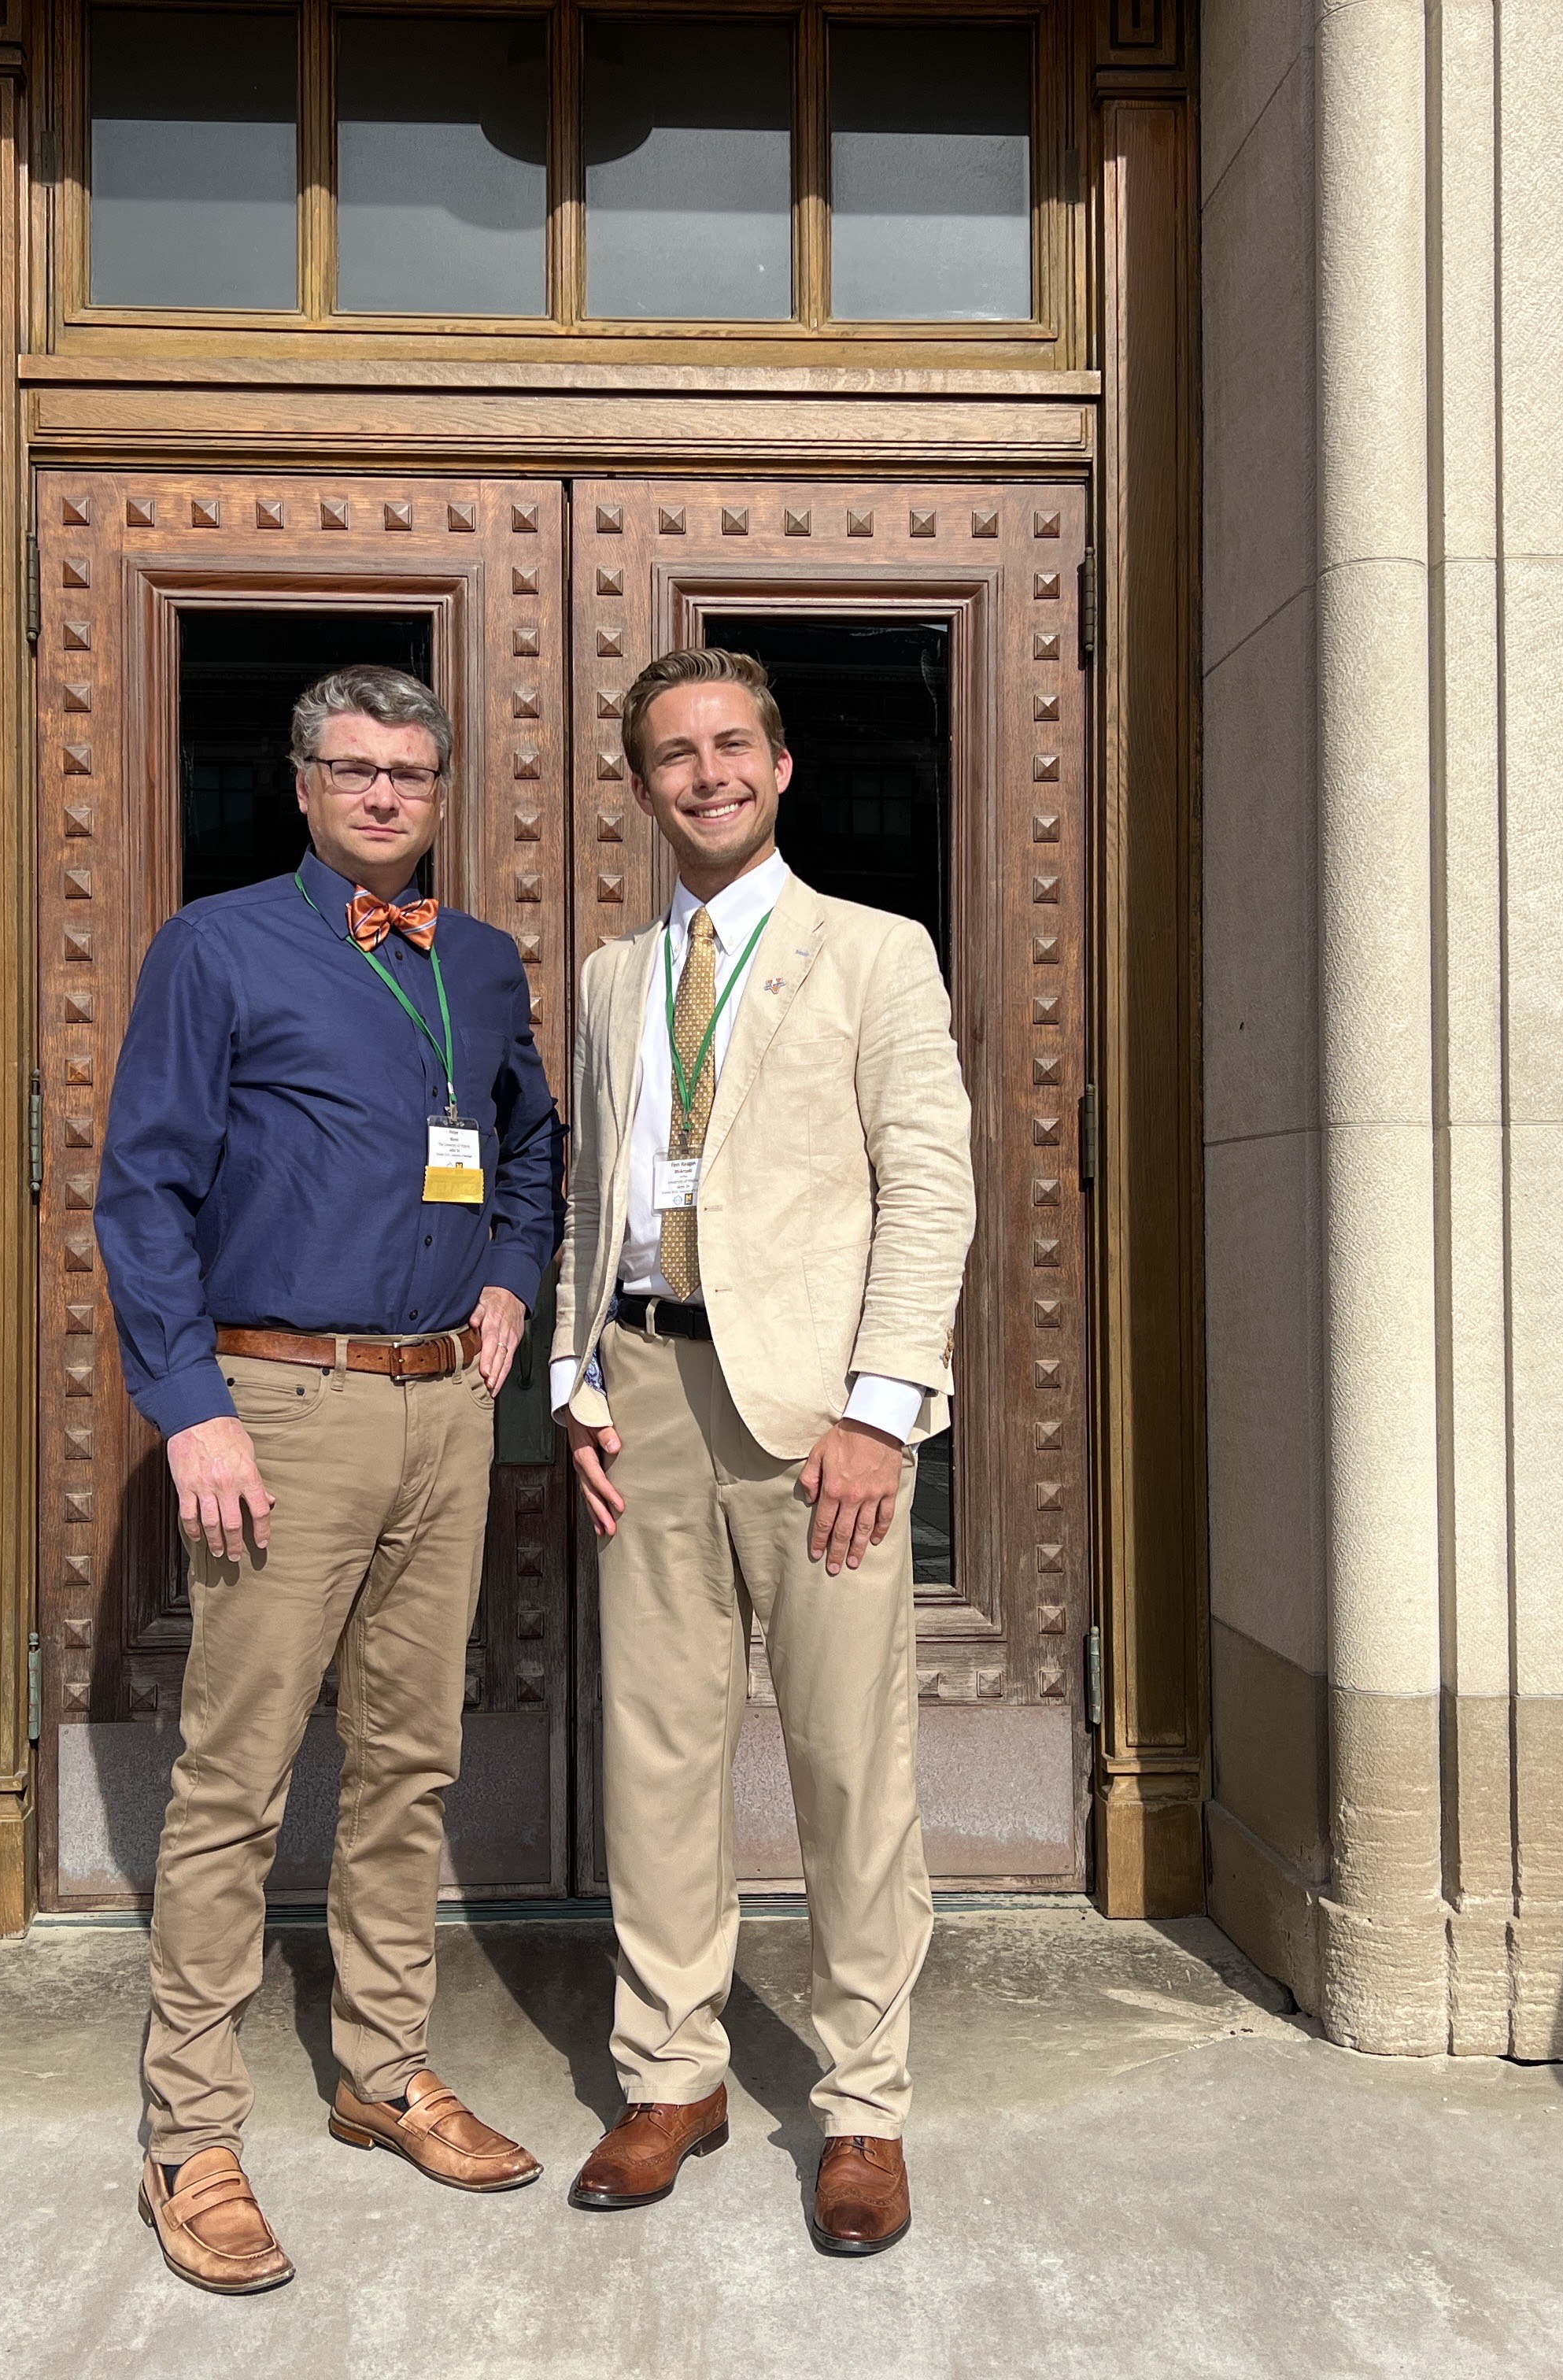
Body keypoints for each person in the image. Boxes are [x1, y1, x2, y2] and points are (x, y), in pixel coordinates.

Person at [96, 663, 561, 2295]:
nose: (382, 796)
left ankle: (379, 2069)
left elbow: (528, 1143)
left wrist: (512, 1279)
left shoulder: (483, 966)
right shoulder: (215, 948)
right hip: (279, 1403)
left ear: (439, 795)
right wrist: (189, 1404)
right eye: (353, 770)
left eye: (410, 776)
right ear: (300, 784)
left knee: (409, 1761)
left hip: (447, 1407)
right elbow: (141, 1187)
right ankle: (192, 2131)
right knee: (234, 1781)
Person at [549, 646, 974, 2258]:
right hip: (646, 1393)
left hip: (816, 1420)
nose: (706, 773)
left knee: (847, 1763)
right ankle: (672, 2074)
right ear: (642, 784)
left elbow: (929, 1187)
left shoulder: (874, 955)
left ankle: (864, 2103)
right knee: (658, 1759)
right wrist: (576, 1381)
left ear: (781, 768)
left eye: (733, 745)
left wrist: (882, 1406)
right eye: (673, 752)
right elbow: (597, 1193)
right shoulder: (605, 976)